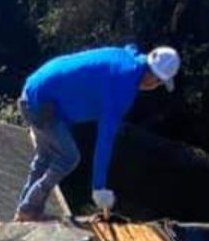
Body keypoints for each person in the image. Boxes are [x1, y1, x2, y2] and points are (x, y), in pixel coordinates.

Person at [14, 44, 181, 223]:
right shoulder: (123, 87)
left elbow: (131, 46)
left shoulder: (128, 57)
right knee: (68, 158)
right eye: (159, 83)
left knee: (45, 158)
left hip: (33, 91)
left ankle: (24, 212)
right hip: (42, 107)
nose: (155, 87)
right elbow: (105, 140)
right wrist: (98, 187)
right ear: (153, 78)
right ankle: (29, 209)